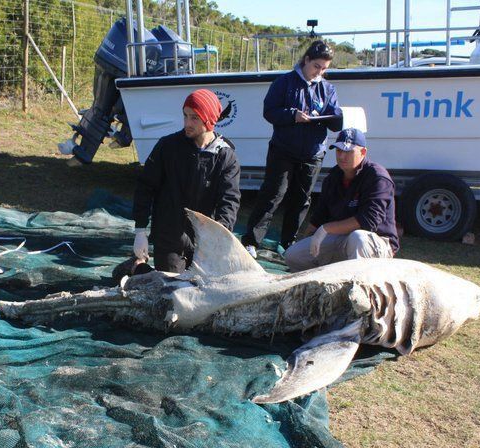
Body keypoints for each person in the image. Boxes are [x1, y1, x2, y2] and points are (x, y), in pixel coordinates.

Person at [241, 40, 343, 258]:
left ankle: (288, 244)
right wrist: (292, 115)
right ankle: (251, 241)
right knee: (272, 195)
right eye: (317, 66)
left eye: (325, 69)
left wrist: (337, 118)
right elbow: (269, 112)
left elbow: (335, 117)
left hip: (313, 153)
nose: (320, 72)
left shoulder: (328, 88)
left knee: (301, 200)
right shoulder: (284, 82)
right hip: (283, 150)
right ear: (306, 60)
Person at [132, 89, 241, 273]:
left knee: (201, 292)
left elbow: (229, 201)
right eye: (185, 116)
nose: (187, 123)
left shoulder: (225, 157)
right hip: (169, 238)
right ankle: (137, 269)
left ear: (209, 120)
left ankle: (137, 268)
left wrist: (218, 236)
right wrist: (140, 230)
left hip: (204, 242)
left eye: (194, 118)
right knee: (172, 291)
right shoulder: (168, 147)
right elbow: (145, 186)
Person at [284, 128, 399, 272]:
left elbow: (368, 221)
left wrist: (326, 229)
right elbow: (319, 217)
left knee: (358, 238)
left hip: (376, 242)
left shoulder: (377, 177)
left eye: (349, 151)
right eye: (339, 151)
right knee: (293, 255)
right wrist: (309, 239)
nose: (342, 156)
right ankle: (321, 286)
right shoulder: (333, 177)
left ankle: (359, 290)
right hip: (341, 239)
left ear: (363, 152)